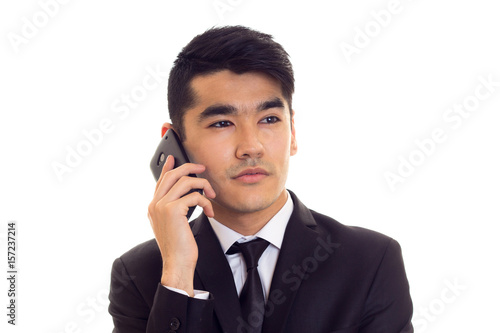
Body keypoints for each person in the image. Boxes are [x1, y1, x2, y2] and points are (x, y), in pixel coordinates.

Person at [108, 26, 413, 333]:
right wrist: (177, 276)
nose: (251, 147)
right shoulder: (139, 275)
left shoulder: (371, 261)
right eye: (222, 123)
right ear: (174, 142)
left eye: (269, 119)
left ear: (292, 132)